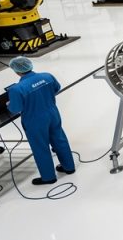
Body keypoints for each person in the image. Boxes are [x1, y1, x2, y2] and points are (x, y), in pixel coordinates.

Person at [6, 56, 75, 185]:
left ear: (16, 71)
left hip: (34, 120)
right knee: (60, 140)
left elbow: (15, 108)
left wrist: (9, 104)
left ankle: (48, 177)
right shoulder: (47, 76)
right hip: (52, 114)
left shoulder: (16, 89)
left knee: (40, 147)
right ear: (30, 65)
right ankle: (69, 167)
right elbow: (56, 88)